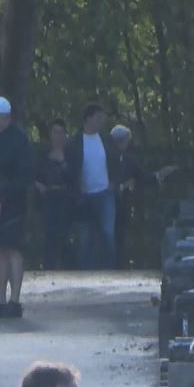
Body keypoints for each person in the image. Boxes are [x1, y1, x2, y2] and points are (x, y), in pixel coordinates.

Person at [0, 95, 35, 318]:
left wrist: (3, 189)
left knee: (13, 249)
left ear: (3, 118)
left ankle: (15, 300)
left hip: (14, 203)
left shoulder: (19, 140)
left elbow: (25, 175)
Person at [110, 125, 176, 270]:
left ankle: (118, 265)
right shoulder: (107, 157)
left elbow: (142, 176)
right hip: (108, 202)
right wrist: (122, 186)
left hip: (124, 204)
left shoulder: (129, 159)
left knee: (120, 235)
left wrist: (158, 175)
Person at [64, 102, 120, 269]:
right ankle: (85, 269)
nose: (101, 121)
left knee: (107, 232)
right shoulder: (75, 142)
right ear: (88, 119)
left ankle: (110, 267)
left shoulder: (106, 141)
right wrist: (76, 187)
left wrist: (114, 182)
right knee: (85, 236)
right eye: (98, 118)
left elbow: (117, 162)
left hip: (105, 193)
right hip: (84, 195)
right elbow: (71, 167)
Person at [35, 120, 74, 271]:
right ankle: (48, 265)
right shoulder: (42, 153)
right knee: (49, 233)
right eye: (55, 132)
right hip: (48, 198)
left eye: (61, 132)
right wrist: (39, 185)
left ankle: (67, 266)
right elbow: (35, 174)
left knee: (64, 233)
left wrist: (63, 162)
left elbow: (74, 177)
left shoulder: (71, 153)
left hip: (65, 198)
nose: (58, 136)